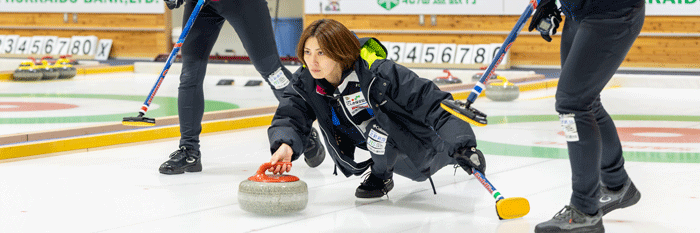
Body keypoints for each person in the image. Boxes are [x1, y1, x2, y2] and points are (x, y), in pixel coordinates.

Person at [265, 19, 486, 198]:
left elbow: (433, 104)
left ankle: (451, 156)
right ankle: (382, 175)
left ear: (340, 51)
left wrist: (463, 146)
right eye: (307, 51)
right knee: (376, 134)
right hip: (379, 147)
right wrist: (286, 144)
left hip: (414, 143)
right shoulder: (307, 81)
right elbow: (291, 114)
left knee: (420, 155)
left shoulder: (381, 73)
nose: (311, 61)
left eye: (321, 53)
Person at [158, 0, 325, 175]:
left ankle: (303, 126)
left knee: (271, 70)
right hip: (202, 5)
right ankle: (189, 150)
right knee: (189, 74)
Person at [528, 0, 644, 232]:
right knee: (586, 101)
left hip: (611, 14)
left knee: (573, 103)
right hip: (577, 14)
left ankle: (585, 211)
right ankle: (616, 185)